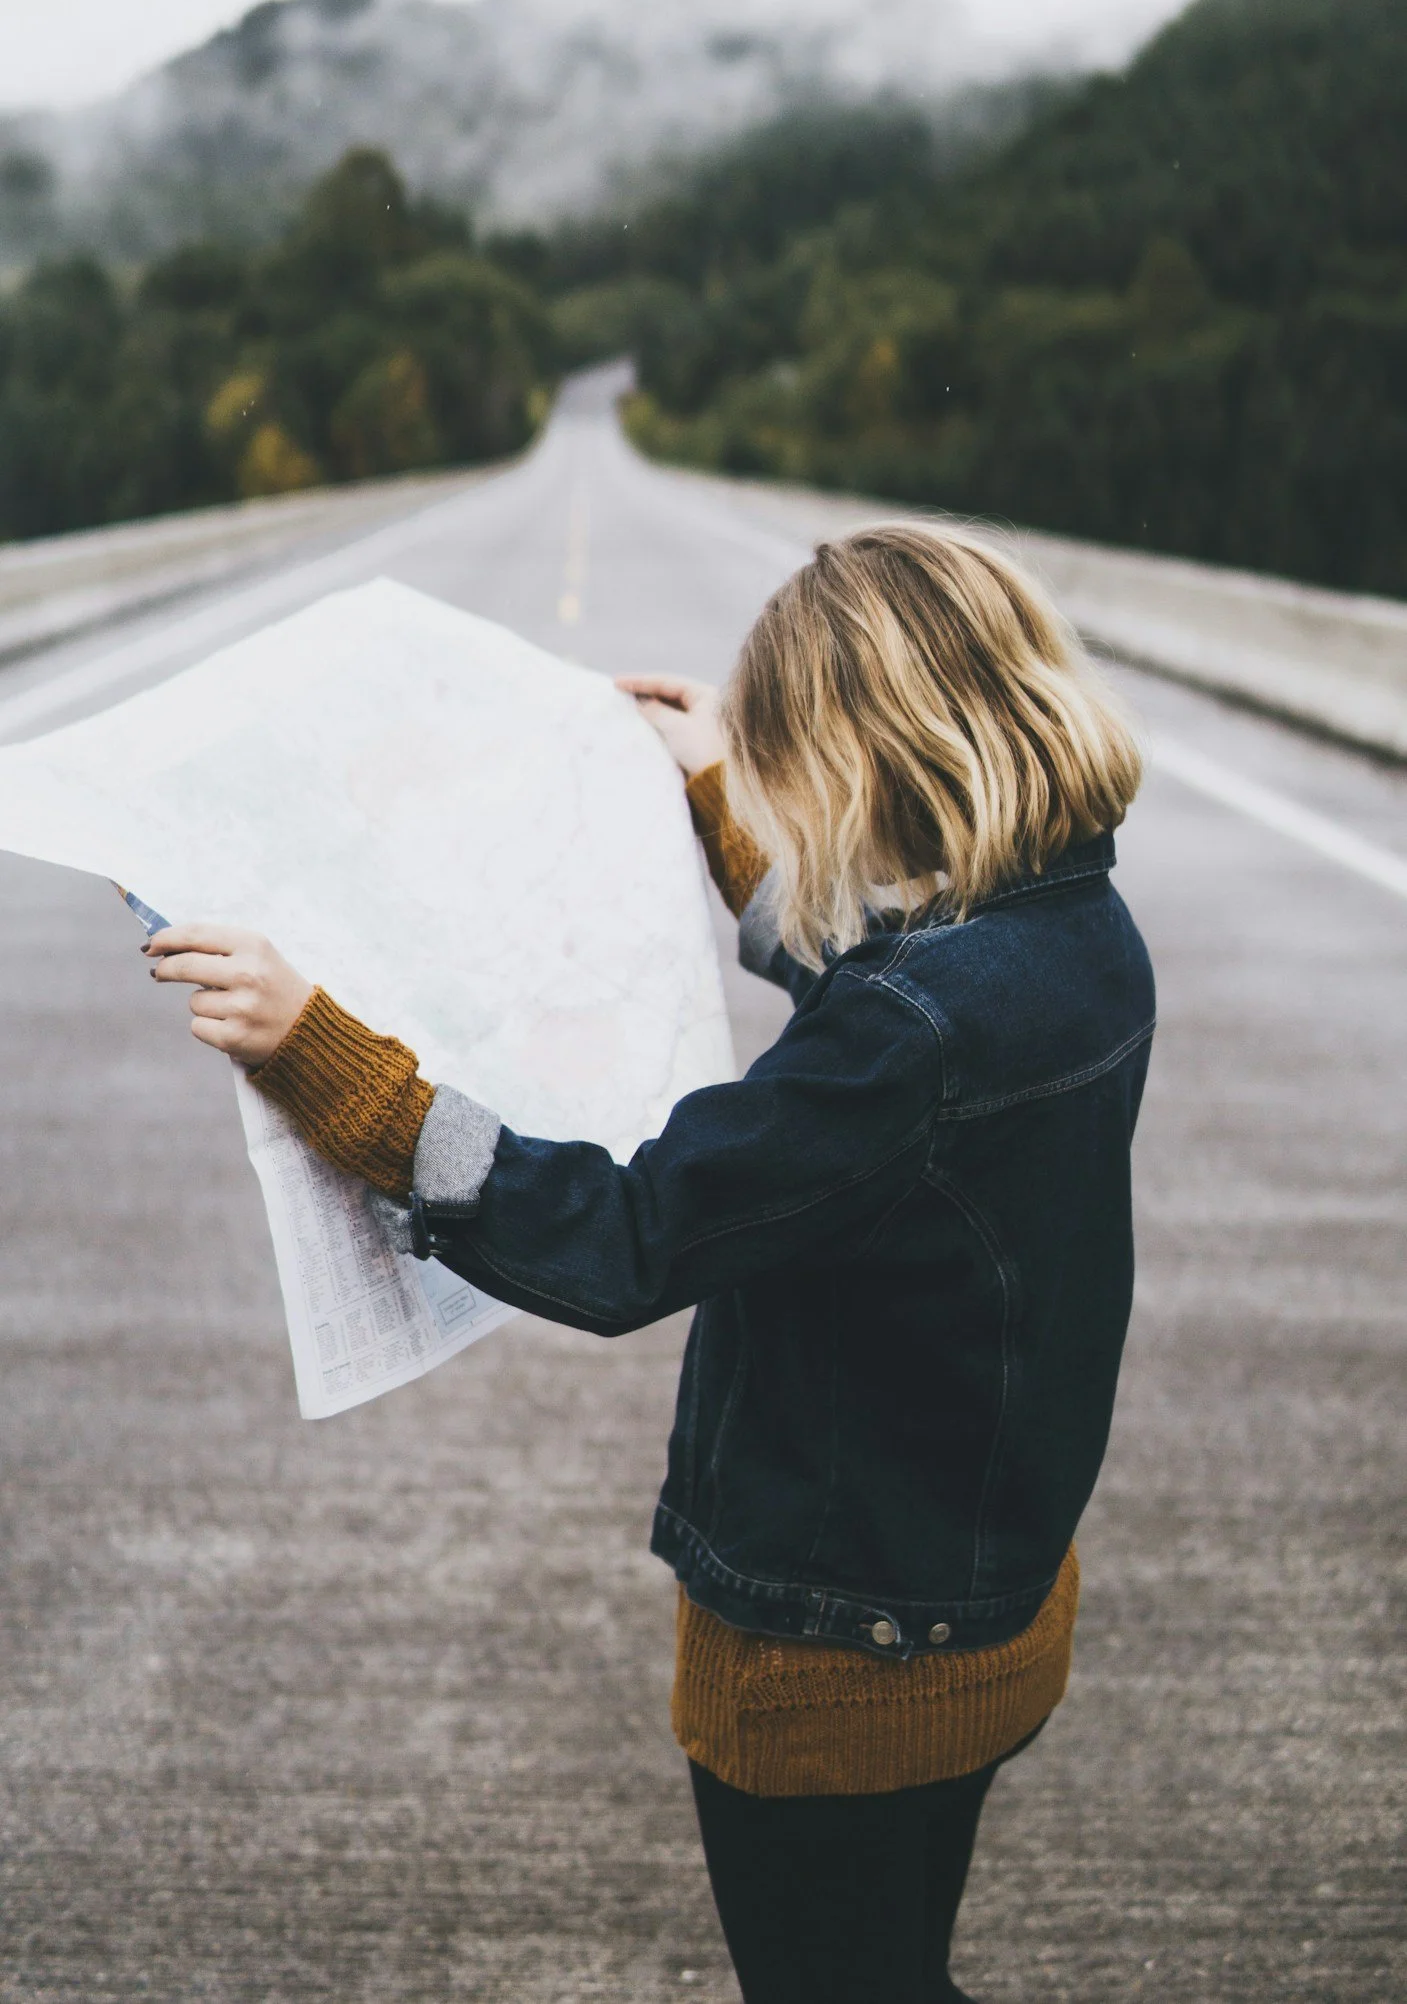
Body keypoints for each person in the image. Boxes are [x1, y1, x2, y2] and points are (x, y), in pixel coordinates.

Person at [145, 523, 1154, 2004]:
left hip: (836, 1663)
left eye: (791, 768)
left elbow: (625, 1239)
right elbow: (888, 1047)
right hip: (987, 1616)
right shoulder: (1078, 934)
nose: (784, 800)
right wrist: (709, 798)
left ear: (873, 757)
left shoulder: (909, 1041)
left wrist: (334, 1062)